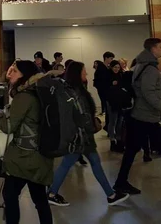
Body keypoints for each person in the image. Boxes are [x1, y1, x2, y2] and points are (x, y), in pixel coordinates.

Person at [47, 61, 130, 207]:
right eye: (84, 71)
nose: (86, 73)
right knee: (87, 163)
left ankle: (110, 194)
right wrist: (91, 126)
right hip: (81, 136)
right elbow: (81, 115)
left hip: (79, 135)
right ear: (77, 74)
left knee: (75, 163)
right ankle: (110, 195)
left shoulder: (72, 90)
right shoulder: (75, 92)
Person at [114, 38, 161, 195]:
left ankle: (120, 182)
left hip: (139, 114)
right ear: (152, 50)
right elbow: (149, 94)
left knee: (132, 149)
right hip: (146, 116)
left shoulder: (140, 65)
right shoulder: (150, 69)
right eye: (160, 47)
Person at [0, 61, 53, 224]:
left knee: (10, 195)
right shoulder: (36, 92)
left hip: (24, 158)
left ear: (24, 75)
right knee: (40, 199)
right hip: (39, 154)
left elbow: (8, 126)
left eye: (14, 71)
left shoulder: (24, 96)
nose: (10, 73)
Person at [106, 60, 124, 152]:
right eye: (115, 67)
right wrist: (111, 85)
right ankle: (112, 140)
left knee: (119, 121)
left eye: (118, 67)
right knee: (112, 120)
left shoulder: (121, 75)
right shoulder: (107, 76)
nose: (116, 69)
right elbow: (104, 87)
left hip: (120, 101)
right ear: (111, 67)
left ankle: (119, 139)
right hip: (111, 101)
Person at [94, 52, 114, 118]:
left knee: (108, 105)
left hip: (107, 89)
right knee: (106, 104)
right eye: (111, 58)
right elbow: (100, 80)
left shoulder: (108, 67)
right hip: (103, 89)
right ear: (106, 58)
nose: (112, 60)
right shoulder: (100, 68)